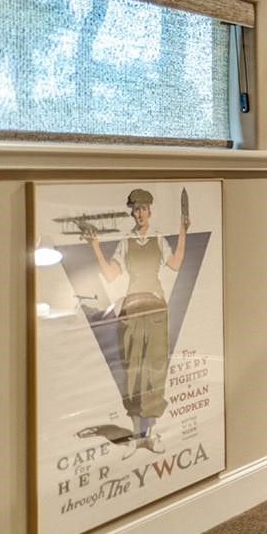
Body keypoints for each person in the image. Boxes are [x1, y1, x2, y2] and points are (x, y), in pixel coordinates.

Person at [86, 188, 187, 449]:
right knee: (132, 368)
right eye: (136, 209)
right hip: (132, 309)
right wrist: (95, 246)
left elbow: (175, 264)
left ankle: (150, 434)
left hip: (155, 309)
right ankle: (135, 433)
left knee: (154, 368)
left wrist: (183, 231)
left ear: (150, 211)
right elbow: (110, 274)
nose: (139, 213)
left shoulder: (158, 240)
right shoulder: (126, 242)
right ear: (132, 211)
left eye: (143, 208)